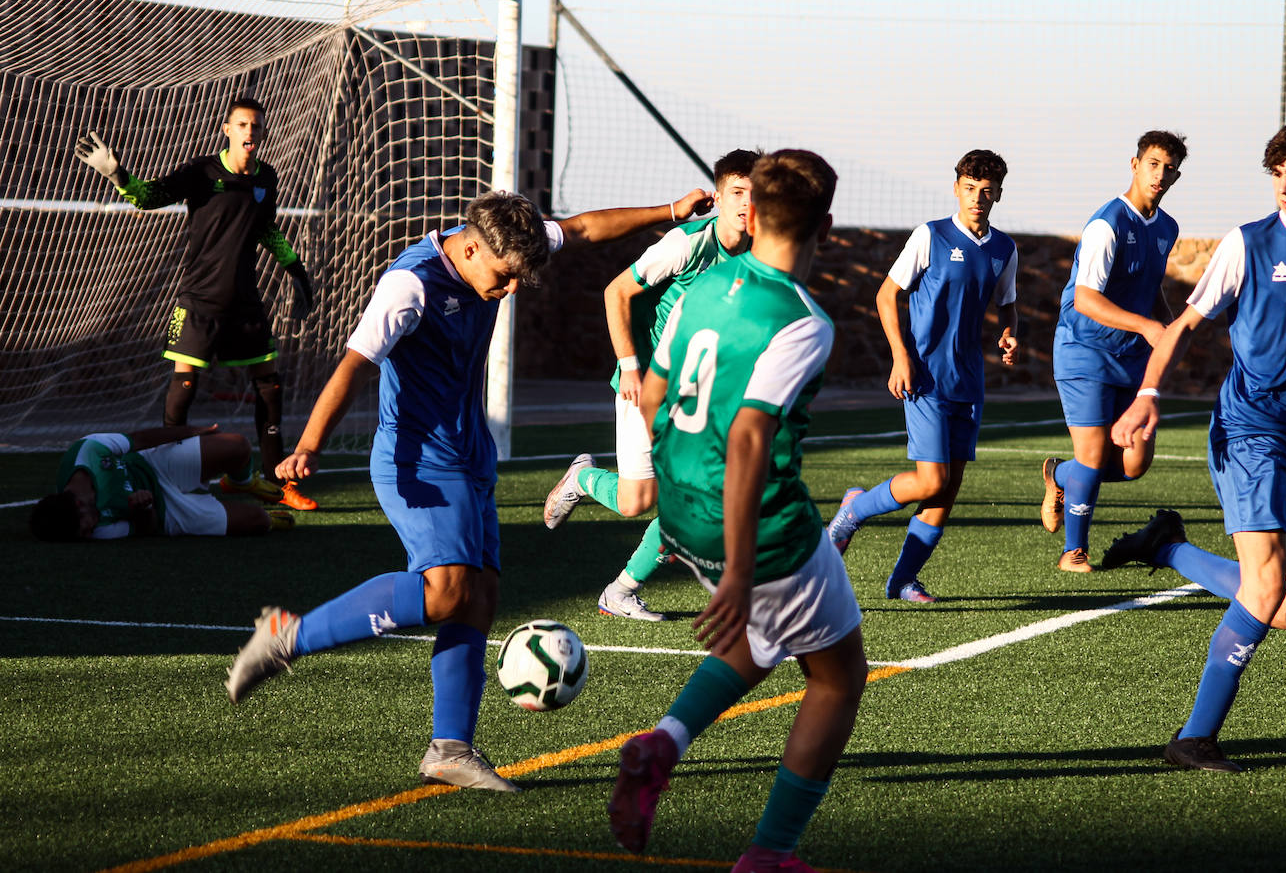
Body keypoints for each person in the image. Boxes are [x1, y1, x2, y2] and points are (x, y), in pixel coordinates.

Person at [222, 187, 712, 792]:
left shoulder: (505, 240)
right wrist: (310, 445)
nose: (510, 290)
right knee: (446, 590)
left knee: (479, 597)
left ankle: (450, 749)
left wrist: (667, 213)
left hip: (471, 452)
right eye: (505, 278)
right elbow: (356, 363)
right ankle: (288, 637)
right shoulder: (411, 285)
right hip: (417, 458)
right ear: (473, 249)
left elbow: (583, 229)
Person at [607, 149, 866, 873]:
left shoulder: (702, 287)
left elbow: (654, 397)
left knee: (761, 637)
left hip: (682, 513)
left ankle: (662, 746)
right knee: (839, 677)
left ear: (752, 216)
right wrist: (741, 568)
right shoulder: (804, 320)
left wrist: (679, 490)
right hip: (757, 530)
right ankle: (770, 855)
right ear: (826, 227)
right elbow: (751, 436)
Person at [1105, 114, 1286, 772]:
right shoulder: (1248, 244)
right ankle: (1193, 739)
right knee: (1266, 586)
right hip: (1248, 429)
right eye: (1277, 174)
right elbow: (1183, 326)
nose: (1285, 185)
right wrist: (1148, 394)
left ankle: (1166, 546)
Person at [542, 149, 761, 622]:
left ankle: (621, 591)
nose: (747, 203)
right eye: (738, 192)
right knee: (635, 502)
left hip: (701, 393)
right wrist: (630, 366)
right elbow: (616, 291)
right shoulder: (687, 244)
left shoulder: (761, 254)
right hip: (648, 382)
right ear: (718, 197)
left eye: (756, 194)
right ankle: (582, 478)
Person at [74, 96, 318, 512]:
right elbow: (150, 197)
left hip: (246, 303)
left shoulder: (267, 177)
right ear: (228, 130)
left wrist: (296, 269)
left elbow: (266, 228)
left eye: (256, 125)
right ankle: (170, 477)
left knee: (270, 387)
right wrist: (118, 175)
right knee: (184, 386)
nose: (250, 132)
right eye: (242, 125)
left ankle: (277, 481)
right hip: (199, 300)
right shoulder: (202, 172)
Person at [825, 150, 1018, 603]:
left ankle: (903, 580)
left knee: (946, 490)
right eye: (969, 188)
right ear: (956, 188)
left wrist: (1010, 332)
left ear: (998, 195)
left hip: (969, 381)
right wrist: (900, 356)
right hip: (925, 376)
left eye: (986, 191)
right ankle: (854, 510)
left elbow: (1007, 303)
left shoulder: (1005, 249)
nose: (977, 198)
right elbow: (886, 295)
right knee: (931, 480)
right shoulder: (930, 235)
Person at [1040, 131, 1187, 572]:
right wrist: (1146, 326)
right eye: (1153, 164)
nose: (1160, 174)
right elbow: (1086, 299)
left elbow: (1149, 286)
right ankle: (1074, 551)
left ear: (1177, 176)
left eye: (1169, 168)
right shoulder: (1108, 223)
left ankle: (1059, 475)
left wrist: (1169, 325)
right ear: (1135, 164)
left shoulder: (1167, 228)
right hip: (1084, 349)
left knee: (1134, 462)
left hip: (1131, 356)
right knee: (1091, 456)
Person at [29, 425, 292, 541]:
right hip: (169, 513)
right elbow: (149, 527)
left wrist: (193, 431)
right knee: (258, 521)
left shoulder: (86, 450)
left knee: (237, 445)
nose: (90, 534)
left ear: (78, 504)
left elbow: (140, 439)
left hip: (155, 464)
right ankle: (265, 516)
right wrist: (143, 509)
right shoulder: (100, 530)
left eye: (85, 529)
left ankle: (241, 482)